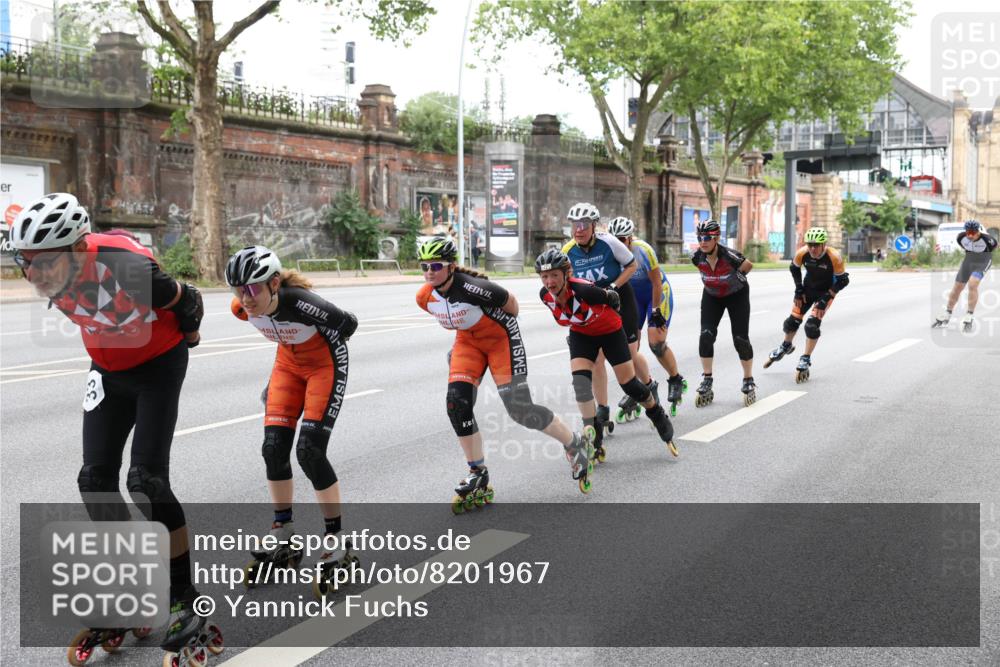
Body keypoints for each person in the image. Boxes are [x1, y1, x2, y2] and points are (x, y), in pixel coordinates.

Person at [10, 193, 207, 654]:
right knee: (94, 479)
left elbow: (189, 302)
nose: (35, 275)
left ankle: (183, 598)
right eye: (26, 263)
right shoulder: (51, 272)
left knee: (147, 482)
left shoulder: (126, 268)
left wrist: (191, 335)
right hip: (107, 372)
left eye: (46, 264)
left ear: (79, 250)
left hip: (157, 366)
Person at [414, 237, 597, 503]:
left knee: (520, 410)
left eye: (436, 265)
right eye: (424, 266)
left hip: (501, 340)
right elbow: (457, 319)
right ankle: (477, 471)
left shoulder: (475, 288)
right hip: (468, 343)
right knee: (456, 404)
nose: (430, 271)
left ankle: (574, 443)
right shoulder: (424, 297)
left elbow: (512, 306)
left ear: (451, 266)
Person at [226, 246, 360, 596]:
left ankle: (336, 540)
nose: (245, 298)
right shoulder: (241, 308)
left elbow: (349, 324)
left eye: (252, 289)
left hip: (324, 367)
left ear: (273, 283)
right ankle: (283, 530)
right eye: (238, 290)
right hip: (287, 367)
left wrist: (323, 343)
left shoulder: (300, 301)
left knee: (310, 451)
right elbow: (269, 325)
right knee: (272, 449)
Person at [535, 248, 677, 460]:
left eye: (554, 275)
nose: (549, 282)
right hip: (582, 335)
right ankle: (594, 435)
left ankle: (656, 413)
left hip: (610, 332)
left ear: (567, 274)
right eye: (544, 276)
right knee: (580, 384)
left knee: (629, 384)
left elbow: (613, 299)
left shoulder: (585, 291)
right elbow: (568, 316)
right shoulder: (545, 296)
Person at [561, 203, 654, 445]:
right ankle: (602, 408)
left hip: (620, 300)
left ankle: (647, 387)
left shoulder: (610, 242)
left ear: (593, 226)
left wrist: (613, 287)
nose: (578, 230)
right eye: (574, 225)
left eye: (583, 225)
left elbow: (631, 265)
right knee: (597, 360)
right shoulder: (568, 251)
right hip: (593, 307)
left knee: (630, 355)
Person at [607, 217, 686, 417]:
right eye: (615, 240)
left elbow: (657, 283)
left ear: (630, 238)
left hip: (656, 294)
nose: (619, 244)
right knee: (628, 350)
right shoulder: (609, 253)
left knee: (656, 343)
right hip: (633, 299)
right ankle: (643, 387)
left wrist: (656, 311)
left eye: (623, 240)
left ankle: (675, 378)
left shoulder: (644, 250)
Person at [763, 227, 849, 382]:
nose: (813, 249)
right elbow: (793, 268)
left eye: (816, 245)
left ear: (824, 244)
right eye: (810, 245)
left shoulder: (834, 256)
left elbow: (843, 280)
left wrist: (827, 297)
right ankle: (786, 345)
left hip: (826, 292)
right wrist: (798, 289)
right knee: (791, 322)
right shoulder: (803, 253)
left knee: (811, 326)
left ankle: (805, 358)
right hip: (807, 290)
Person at [690, 219, 757, 407]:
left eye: (707, 238)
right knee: (706, 335)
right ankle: (707, 379)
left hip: (737, 295)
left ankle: (748, 379)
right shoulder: (697, 257)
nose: (703, 241)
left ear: (717, 238)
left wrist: (738, 278)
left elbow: (748, 266)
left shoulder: (730, 256)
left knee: (740, 339)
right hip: (712, 295)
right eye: (700, 237)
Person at [933, 220, 997, 331]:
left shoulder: (988, 240)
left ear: (978, 232)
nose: (970, 235)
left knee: (973, 284)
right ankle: (948, 312)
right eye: (968, 233)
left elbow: (995, 248)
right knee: (957, 287)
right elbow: (965, 248)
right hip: (968, 261)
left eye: (973, 233)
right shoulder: (960, 237)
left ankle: (969, 314)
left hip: (983, 262)